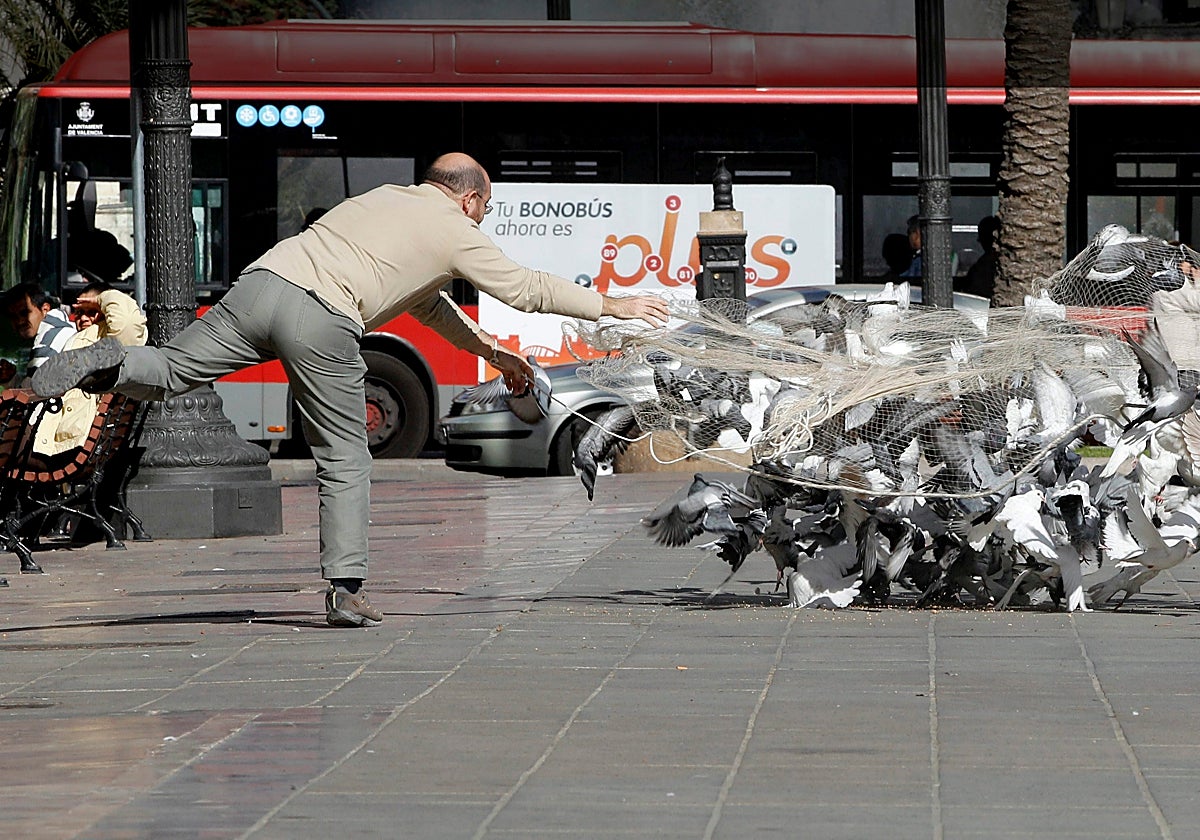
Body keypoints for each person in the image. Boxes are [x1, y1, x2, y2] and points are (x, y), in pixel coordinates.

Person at [32, 152, 670, 628]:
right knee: (344, 453)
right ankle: (345, 589)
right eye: (487, 209)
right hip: (319, 314)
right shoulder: (455, 227)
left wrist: (491, 354)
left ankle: (104, 364)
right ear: (472, 200)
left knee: (170, 370)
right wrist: (615, 303)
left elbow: (429, 306)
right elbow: (525, 289)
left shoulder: (383, 198)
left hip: (260, 284)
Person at [29, 282, 147, 470]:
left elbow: (127, 323)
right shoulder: (81, 340)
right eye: (79, 313)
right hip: (67, 441)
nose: (83, 318)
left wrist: (102, 298)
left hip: (72, 444)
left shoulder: (108, 338)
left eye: (91, 312)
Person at [1, 282, 76, 386]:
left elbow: (31, 394)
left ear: (45, 309)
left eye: (25, 313)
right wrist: (11, 378)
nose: (20, 321)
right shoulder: (56, 325)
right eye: (13, 317)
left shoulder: (49, 341)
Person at [958, 215, 1001, 300]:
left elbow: (974, 285)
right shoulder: (983, 262)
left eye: (982, 237)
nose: (980, 242)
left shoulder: (989, 263)